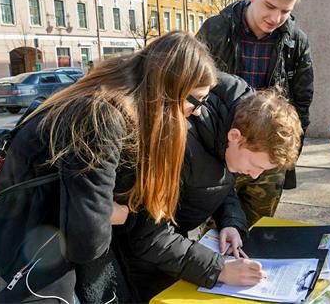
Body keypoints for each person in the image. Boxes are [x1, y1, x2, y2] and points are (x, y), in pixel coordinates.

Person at [0, 31, 217, 303]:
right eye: (197, 100)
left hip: (28, 239)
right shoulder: (100, 118)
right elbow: (87, 242)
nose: (200, 111)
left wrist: (115, 212)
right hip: (22, 254)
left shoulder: (109, 101)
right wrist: (116, 214)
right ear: (169, 89)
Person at [115, 73, 303, 302]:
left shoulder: (232, 128)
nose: (255, 175)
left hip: (173, 245)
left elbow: (220, 181)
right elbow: (148, 235)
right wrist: (219, 269)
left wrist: (231, 222)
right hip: (134, 258)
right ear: (235, 136)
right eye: (255, 165)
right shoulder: (177, 142)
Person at [196, 0, 314, 227]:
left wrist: (287, 155)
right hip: (223, 147)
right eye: (270, 6)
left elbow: (302, 102)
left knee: (258, 227)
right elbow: (193, 84)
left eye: (285, 11)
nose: (276, 18)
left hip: (268, 155)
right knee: (218, 229)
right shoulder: (216, 29)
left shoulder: (296, 41)